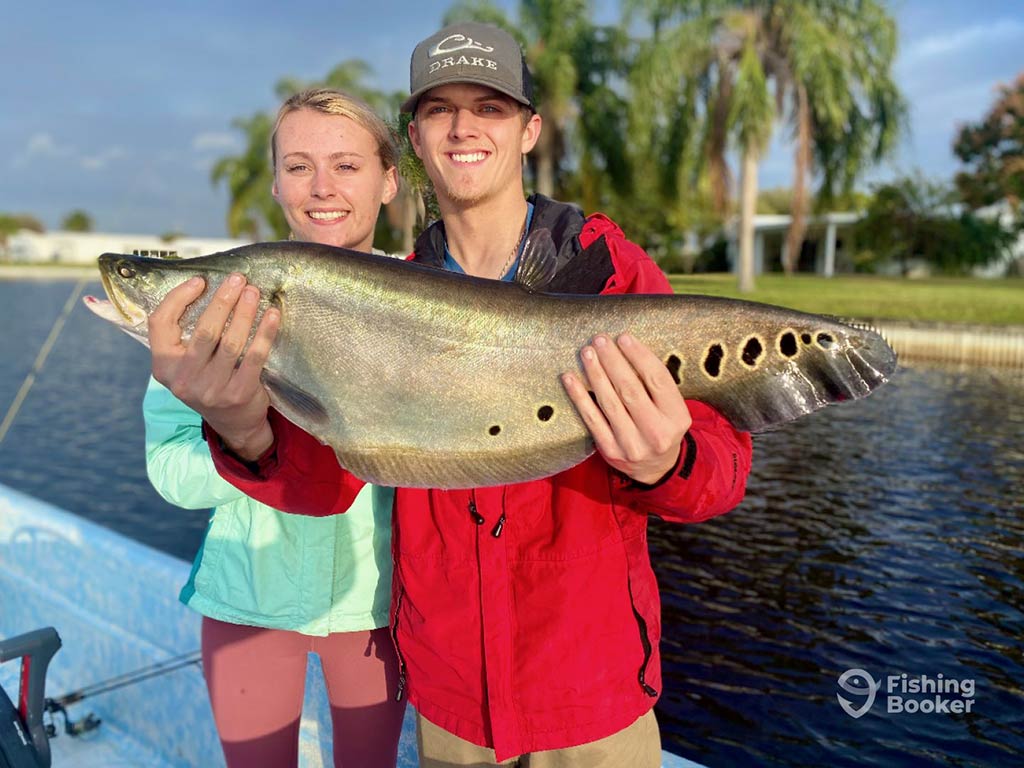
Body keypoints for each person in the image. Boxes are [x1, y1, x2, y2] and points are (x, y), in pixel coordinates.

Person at [148, 23, 754, 767]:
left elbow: (720, 475)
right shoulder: (376, 296)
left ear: (529, 129)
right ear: (415, 137)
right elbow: (326, 483)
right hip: (451, 706)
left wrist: (669, 461)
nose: (465, 126)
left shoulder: (610, 270)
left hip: (593, 698)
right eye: (440, 109)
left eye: (490, 107)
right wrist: (241, 429)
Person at [142, 87, 406, 768]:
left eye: (347, 165)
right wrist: (243, 440)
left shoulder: (436, 303)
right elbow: (170, 470)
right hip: (245, 602)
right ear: (275, 181)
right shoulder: (214, 302)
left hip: (378, 610)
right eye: (298, 166)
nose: (322, 188)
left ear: (389, 181)